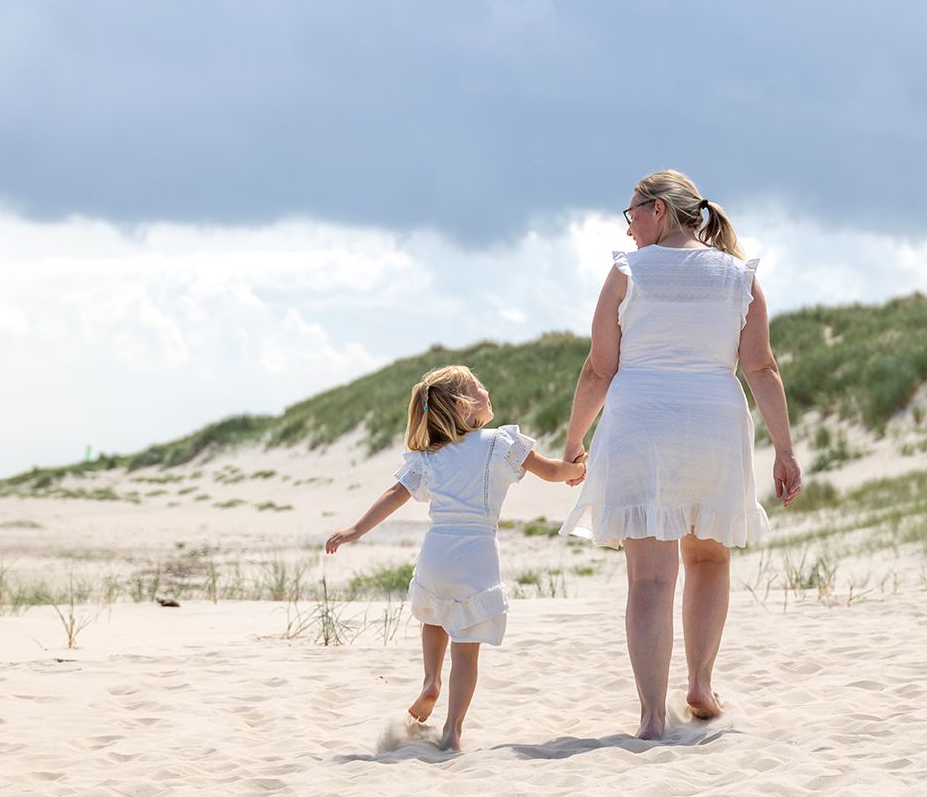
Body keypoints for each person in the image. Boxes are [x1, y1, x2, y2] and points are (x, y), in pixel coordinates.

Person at [560, 170, 801, 740]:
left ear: (660, 211)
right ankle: (699, 682)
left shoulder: (627, 271)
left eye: (632, 213)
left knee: (650, 579)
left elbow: (600, 369)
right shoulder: (739, 277)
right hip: (714, 425)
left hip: (642, 425)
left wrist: (574, 441)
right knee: (709, 560)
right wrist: (785, 450)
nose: (628, 225)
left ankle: (650, 715)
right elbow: (762, 369)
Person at [326, 364, 585, 751]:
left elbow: (395, 494)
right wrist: (577, 468)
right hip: (477, 554)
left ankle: (431, 681)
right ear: (465, 405)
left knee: (434, 618)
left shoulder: (430, 456)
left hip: (436, 552)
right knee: (467, 645)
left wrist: (356, 530)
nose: (488, 391)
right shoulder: (501, 443)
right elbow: (550, 471)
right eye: (480, 388)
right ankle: (452, 731)